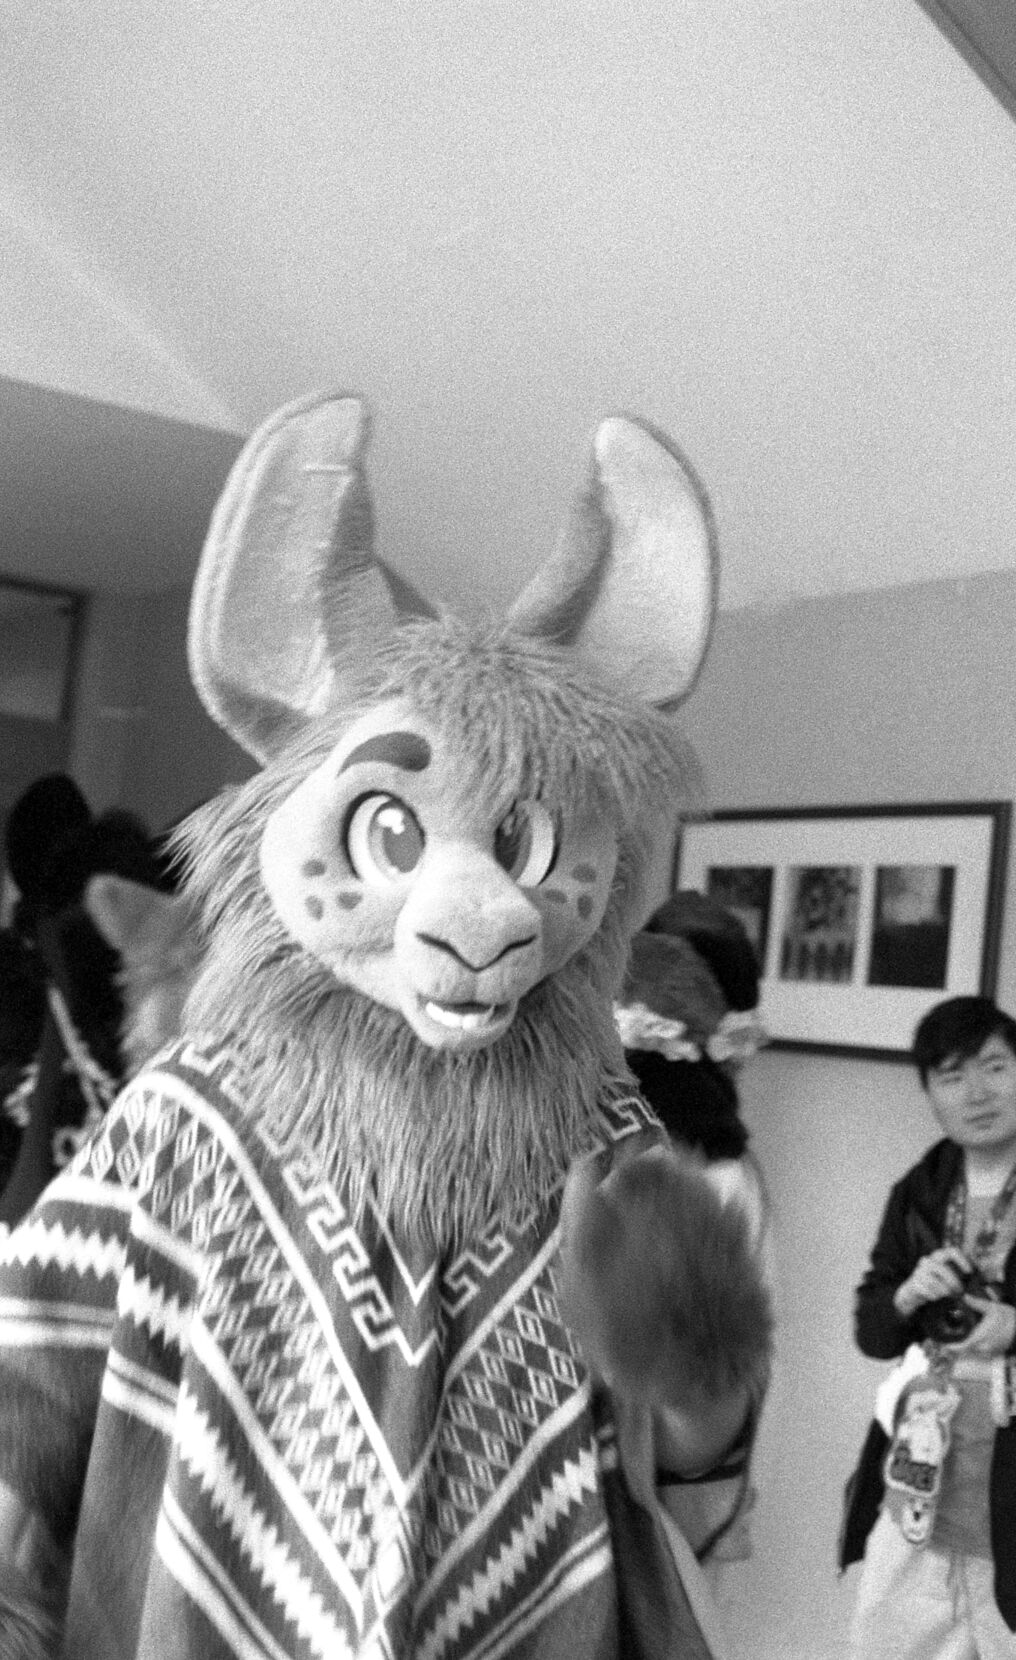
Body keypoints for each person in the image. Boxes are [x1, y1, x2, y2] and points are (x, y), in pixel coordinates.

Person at [842, 995, 1016, 1658]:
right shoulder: (919, 1190)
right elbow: (872, 1332)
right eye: (952, 1076)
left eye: (994, 1068)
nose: (976, 1092)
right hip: (924, 1471)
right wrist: (907, 1295)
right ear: (930, 1093)